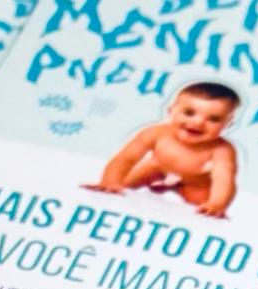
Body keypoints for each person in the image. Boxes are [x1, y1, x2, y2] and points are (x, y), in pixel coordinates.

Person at [91, 78, 244, 217]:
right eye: (189, 113)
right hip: (155, 169)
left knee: (202, 210)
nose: (198, 123)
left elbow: (223, 179)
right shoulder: (155, 133)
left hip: (194, 181)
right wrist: (110, 181)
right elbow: (127, 158)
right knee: (121, 185)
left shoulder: (222, 150)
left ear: (228, 124)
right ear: (171, 111)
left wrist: (217, 204)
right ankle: (157, 183)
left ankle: (179, 189)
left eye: (214, 119)